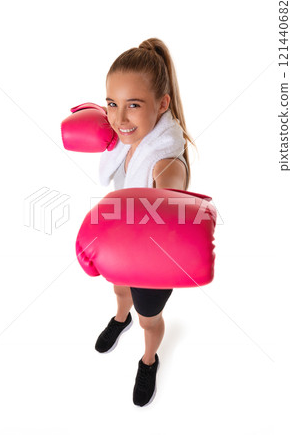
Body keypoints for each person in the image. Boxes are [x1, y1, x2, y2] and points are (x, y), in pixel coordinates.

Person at [95, 37, 197, 407]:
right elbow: (115, 123)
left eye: (133, 106)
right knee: (120, 291)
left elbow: (171, 196)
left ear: (162, 104)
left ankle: (149, 359)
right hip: (120, 244)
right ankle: (119, 318)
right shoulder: (124, 137)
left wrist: (170, 203)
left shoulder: (166, 162)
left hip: (153, 261)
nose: (118, 119)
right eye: (112, 104)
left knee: (149, 320)